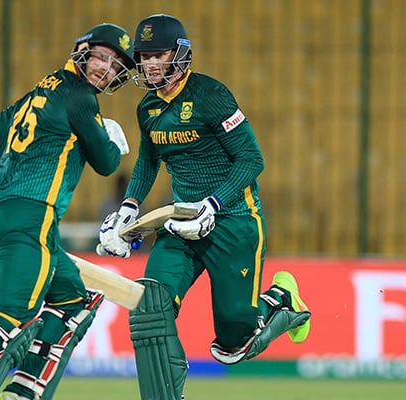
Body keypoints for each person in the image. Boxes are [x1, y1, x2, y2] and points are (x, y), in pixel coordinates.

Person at [97, 14, 312, 400]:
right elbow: (149, 160)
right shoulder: (147, 107)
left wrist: (213, 203)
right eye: (144, 57)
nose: (149, 65)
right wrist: (129, 206)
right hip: (182, 224)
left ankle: (281, 299)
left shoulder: (211, 95)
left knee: (233, 346)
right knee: (150, 305)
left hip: (234, 221)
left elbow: (251, 159)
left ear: (180, 55)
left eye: (158, 55)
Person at [0, 22, 136, 400]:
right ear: (84, 51)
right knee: (13, 315)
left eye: (114, 65)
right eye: (102, 57)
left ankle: (24, 390)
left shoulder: (40, 91)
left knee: (75, 300)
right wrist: (107, 135)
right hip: (31, 220)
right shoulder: (80, 97)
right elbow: (107, 164)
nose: (105, 69)